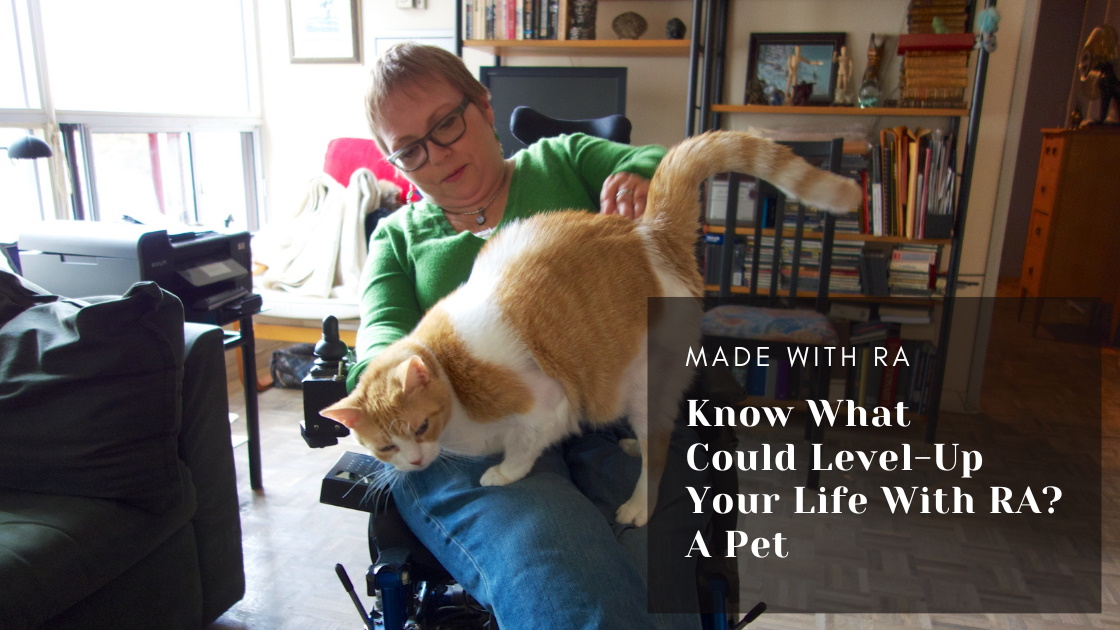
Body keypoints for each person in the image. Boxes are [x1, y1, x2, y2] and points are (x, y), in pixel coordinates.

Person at [346, 42, 709, 630]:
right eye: (411, 150)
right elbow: (380, 333)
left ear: (485, 107)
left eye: (446, 124)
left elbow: (657, 161)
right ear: (395, 164)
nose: (437, 154)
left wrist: (641, 179)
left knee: (657, 555)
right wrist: (390, 374)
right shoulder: (397, 239)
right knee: (557, 563)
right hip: (465, 436)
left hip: (605, 411)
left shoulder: (561, 161)